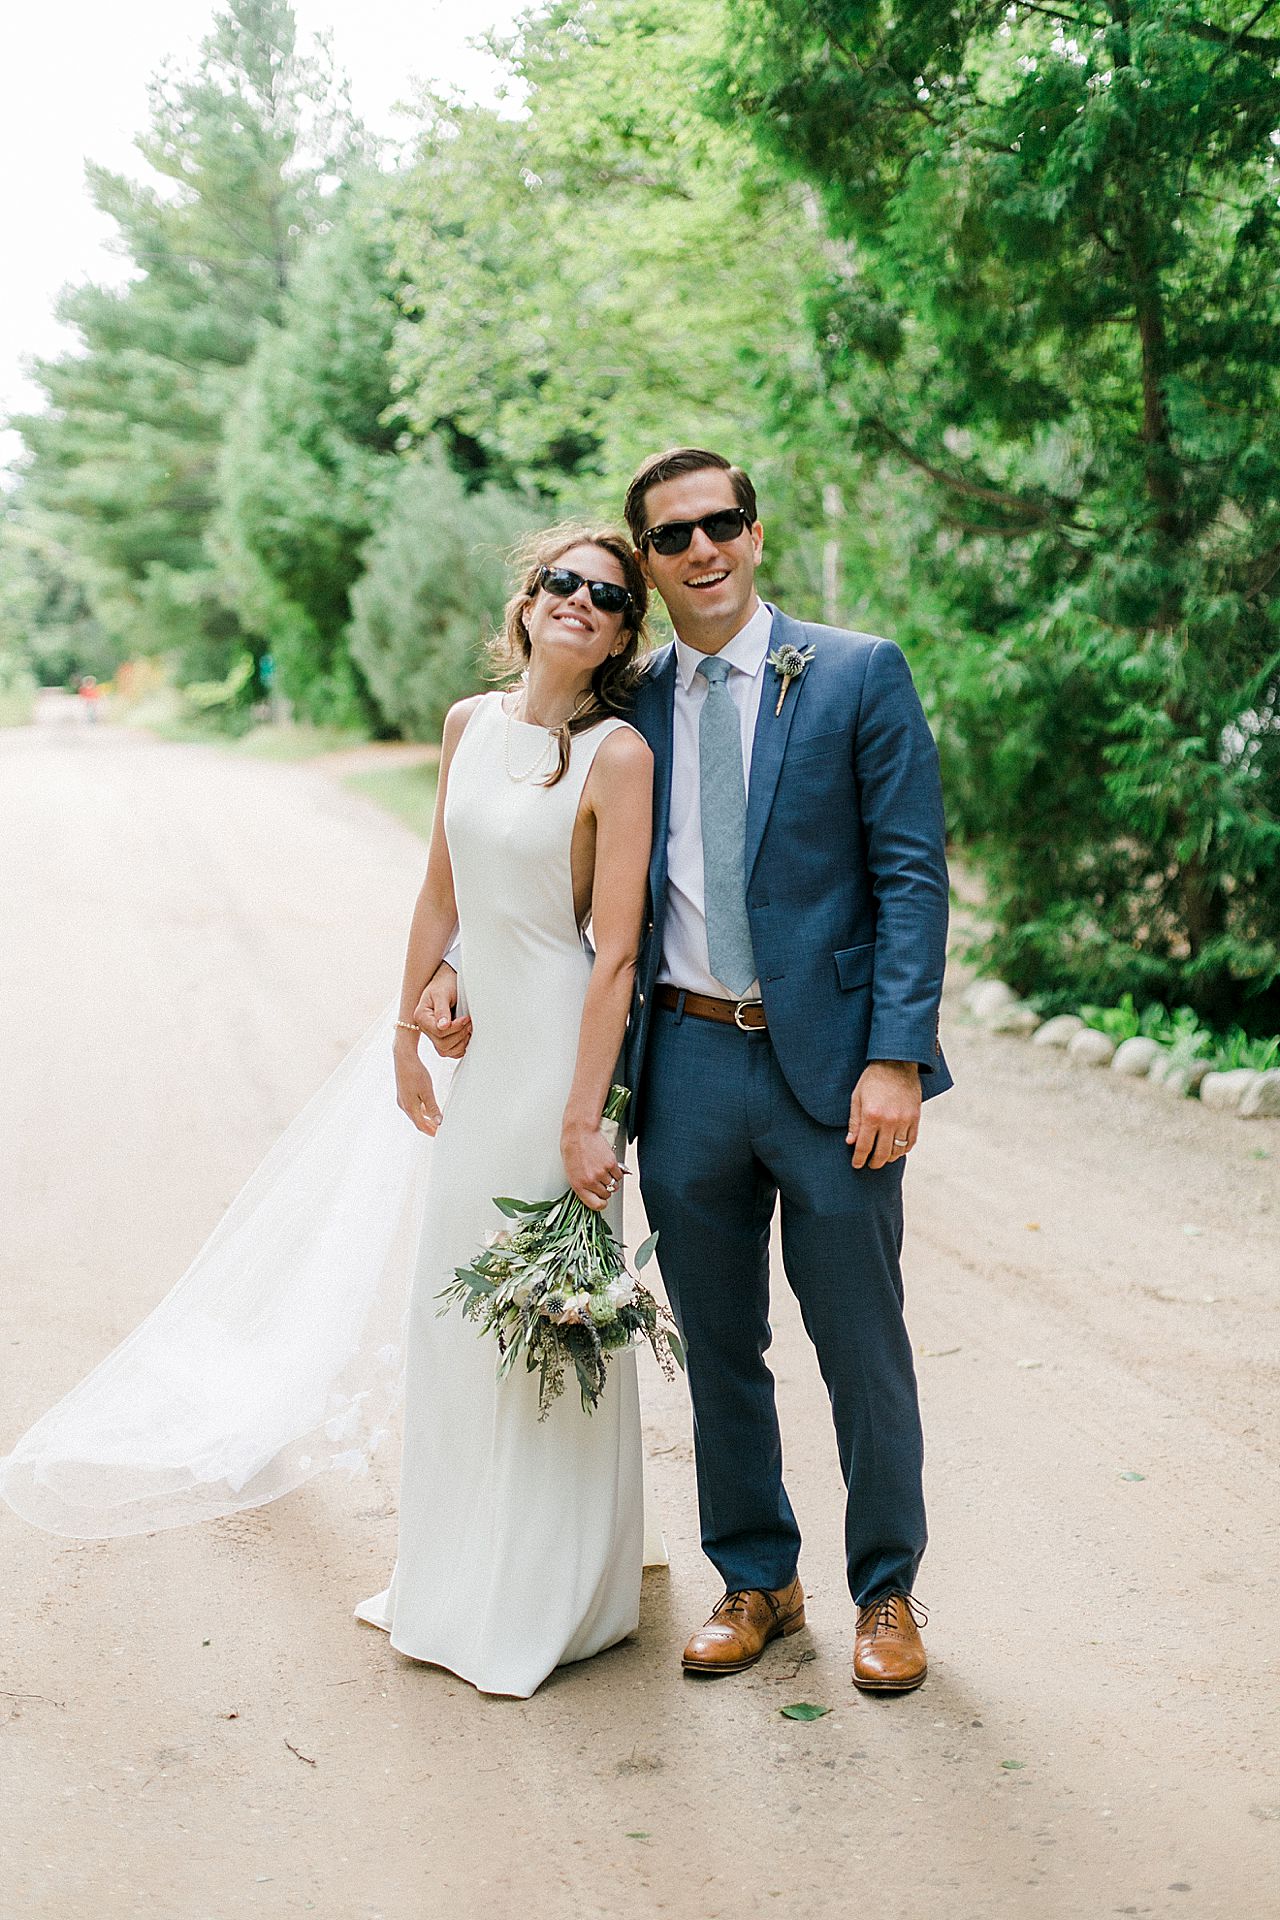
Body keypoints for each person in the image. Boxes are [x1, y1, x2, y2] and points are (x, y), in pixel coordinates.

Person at [1, 524, 658, 1702]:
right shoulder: (466, 725)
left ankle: (555, 1590)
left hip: (554, 1053)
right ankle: (452, 1571)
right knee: (453, 1313)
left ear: (619, 634)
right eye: (560, 580)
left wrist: (582, 1118)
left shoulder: (615, 756)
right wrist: (409, 1027)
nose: (578, 600)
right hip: (478, 1053)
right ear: (526, 602)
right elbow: (438, 898)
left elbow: (611, 957)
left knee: (537, 1310)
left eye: (605, 595)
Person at [421, 448, 951, 1694]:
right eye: (671, 537)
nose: (700, 549)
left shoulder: (855, 672)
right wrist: (449, 973)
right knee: (718, 1343)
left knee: (858, 1344)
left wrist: (894, 1059)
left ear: (754, 536)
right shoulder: (630, 703)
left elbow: (910, 878)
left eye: (721, 525)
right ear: (648, 568)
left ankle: (887, 1592)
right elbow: (528, 860)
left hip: (832, 1073)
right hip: (686, 1060)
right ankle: (756, 1578)